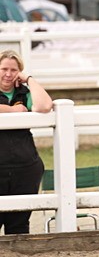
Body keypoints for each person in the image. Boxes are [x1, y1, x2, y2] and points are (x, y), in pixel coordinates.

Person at [0, 50, 53, 235]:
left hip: (25, 166)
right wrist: (12, 111)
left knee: (19, 225)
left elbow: (44, 106)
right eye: (4, 68)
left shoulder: (25, 93)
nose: (8, 74)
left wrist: (29, 79)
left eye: (13, 70)